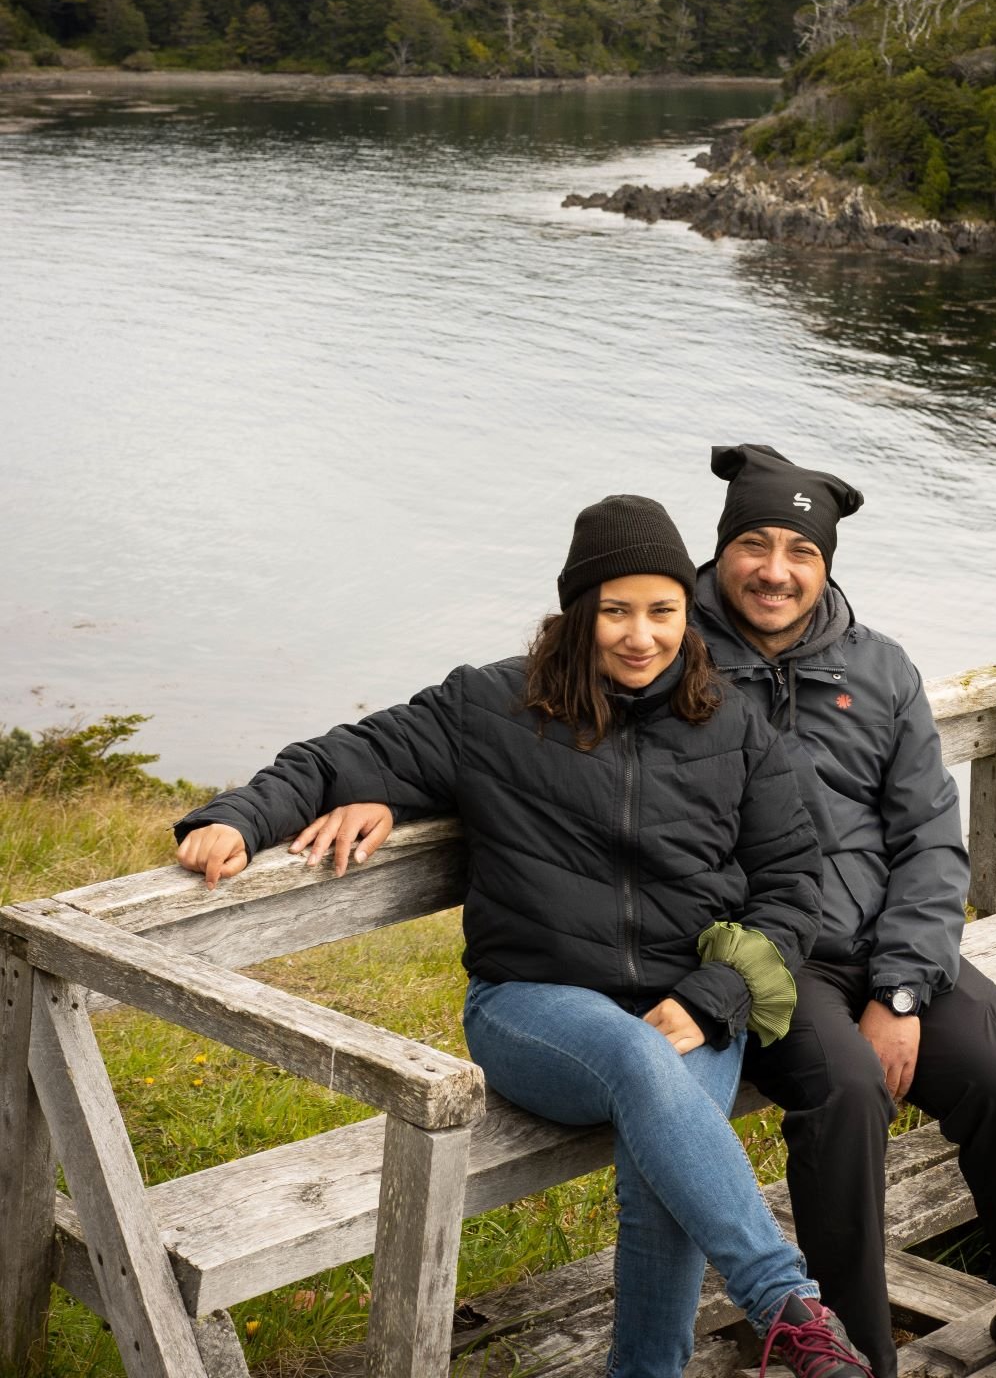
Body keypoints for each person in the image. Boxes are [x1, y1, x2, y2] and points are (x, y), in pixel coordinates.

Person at [175, 494, 875, 1378]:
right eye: (615, 610)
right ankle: (790, 1310)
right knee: (639, 1067)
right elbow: (330, 759)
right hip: (533, 1007)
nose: (640, 636)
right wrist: (239, 817)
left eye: (661, 612)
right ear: (578, 613)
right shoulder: (490, 707)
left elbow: (790, 887)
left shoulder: (733, 724)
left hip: (685, 1003)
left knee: (663, 1168)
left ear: (685, 616)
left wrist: (713, 997)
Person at [690, 444, 996, 1378]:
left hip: (892, 939)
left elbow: (932, 841)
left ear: (825, 564)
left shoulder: (879, 667)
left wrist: (899, 989)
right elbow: (493, 716)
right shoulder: (669, 658)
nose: (775, 571)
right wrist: (357, 785)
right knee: (847, 1091)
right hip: (768, 947)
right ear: (720, 549)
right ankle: (855, 1352)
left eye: (799, 551)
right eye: (754, 545)